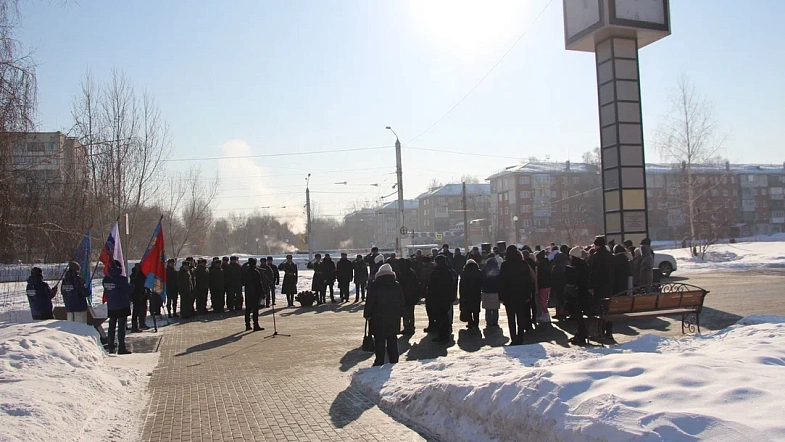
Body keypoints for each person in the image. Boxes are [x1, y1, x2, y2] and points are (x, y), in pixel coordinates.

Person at [364, 264, 405, 366]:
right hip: (393, 318)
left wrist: (367, 314)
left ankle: (379, 361)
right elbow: (401, 302)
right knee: (392, 340)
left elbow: (370, 302)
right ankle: (394, 360)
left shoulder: (374, 285)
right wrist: (400, 314)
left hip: (378, 318)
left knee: (379, 340)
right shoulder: (397, 285)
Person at [499, 245, 534, 345]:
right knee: (521, 317)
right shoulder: (523, 264)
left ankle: (513, 338)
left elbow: (502, 282)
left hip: (509, 296)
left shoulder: (505, 265)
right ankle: (520, 337)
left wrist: (501, 297)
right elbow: (528, 281)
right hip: (521, 295)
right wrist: (528, 295)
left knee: (511, 319)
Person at [103, 261, 133, 354]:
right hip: (122, 305)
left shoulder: (106, 279)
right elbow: (128, 289)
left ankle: (111, 345)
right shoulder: (121, 279)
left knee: (111, 326)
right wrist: (133, 286)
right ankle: (121, 347)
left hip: (111, 306)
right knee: (121, 327)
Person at [427, 255, 456, 344]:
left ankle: (442, 336)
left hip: (437, 298)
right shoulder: (448, 272)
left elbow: (432, 286)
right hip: (445, 298)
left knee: (440, 317)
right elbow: (452, 286)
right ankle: (444, 335)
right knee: (444, 316)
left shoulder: (436, 272)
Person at [566, 247, 591, 346]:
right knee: (578, 315)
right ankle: (580, 333)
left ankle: (581, 334)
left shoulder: (576, 266)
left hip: (579, 294)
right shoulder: (584, 264)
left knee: (577, 314)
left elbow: (575, 279)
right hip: (583, 294)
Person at [459, 259, 483, 330]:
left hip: (467, 294)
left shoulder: (464, 273)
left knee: (468, 309)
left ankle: (470, 323)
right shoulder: (479, 272)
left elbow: (462, 285)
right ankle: (476, 323)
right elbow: (482, 282)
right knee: (476, 309)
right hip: (476, 293)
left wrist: (461, 295)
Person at [398, 259, 419, 335]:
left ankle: (407, 327)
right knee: (410, 312)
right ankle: (411, 326)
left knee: (405, 312)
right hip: (411, 296)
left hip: (405, 296)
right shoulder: (411, 272)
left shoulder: (403, 273)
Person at [244, 258, 265, 331]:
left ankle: (247, 325)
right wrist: (262, 292)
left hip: (248, 293)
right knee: (255, 309)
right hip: (255, 293)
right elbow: (259, 283)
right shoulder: (256, 272)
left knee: (248, 309)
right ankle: (255, 325)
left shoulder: (246, 272)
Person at [550, 245, 570, 320]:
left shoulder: (555, 268)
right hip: (565, 284)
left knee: (558, 298)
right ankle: (564, 311)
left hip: (557, 285)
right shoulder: (566, 266)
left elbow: (552, 277)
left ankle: (559, 313)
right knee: (563, 298)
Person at [481, 255, 501, 327]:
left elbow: (482, 280)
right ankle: (495, 321)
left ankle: (488, 321)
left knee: (488, 308)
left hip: (486, 291)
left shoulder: (484, 269)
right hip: (496, 291)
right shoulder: (498, 270)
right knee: (495, 308)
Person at [535, 251, 552, 324]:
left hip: (543, 285)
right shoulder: (547, 265)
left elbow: (539, 277)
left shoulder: (540, 266)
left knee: (542, 300)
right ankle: (544, 313)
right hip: (547, 284)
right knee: (544, 299)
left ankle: (545, 313)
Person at [130, 264, 148, 332]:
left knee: (143, 310)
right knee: (136, 311)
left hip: (142, 295)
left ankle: (142, 323)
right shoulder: (134, 275)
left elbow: (145, 284)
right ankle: (134, 326)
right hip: (136, 295)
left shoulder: (142, 274)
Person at [419, 255, 435, 331]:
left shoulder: (425, 270)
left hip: (428, 292)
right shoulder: (434, 268)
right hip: (434, 292)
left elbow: (423, 281)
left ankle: (431, 325)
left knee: (430, 310)